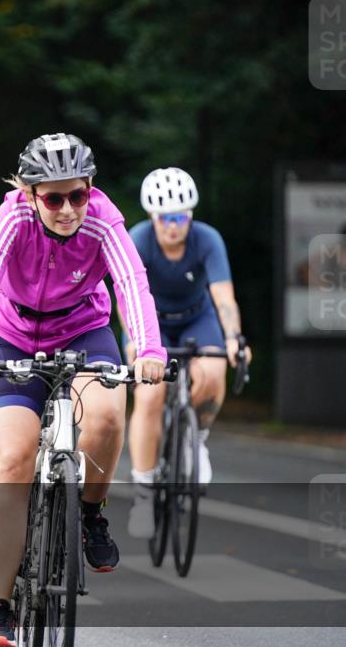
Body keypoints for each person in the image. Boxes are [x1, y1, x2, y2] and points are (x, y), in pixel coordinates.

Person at [0, 133, 166, 646]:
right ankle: (1, 609)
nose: (68, 208)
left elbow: (131, 284)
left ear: (89, 188)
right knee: (12, 458)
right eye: (53, 197)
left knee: (109, 415)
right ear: (31, 195)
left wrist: (150, 350)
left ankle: (91, 513)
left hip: (82, 331)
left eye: (77, 194)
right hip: (8, 337)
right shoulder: (12, 216)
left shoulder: (102, 217)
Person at [124, 167, 253, 539]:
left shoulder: (207, 239)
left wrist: (233, 338)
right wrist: (136, 339)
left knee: (212, 372)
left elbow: (223, 296)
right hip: (151, 322)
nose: (172, 225)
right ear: (153, 217)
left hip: (198, 319)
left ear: (190, 216)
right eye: (165, 218)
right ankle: (144, 492)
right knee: (149, 394)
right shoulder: (138, 239)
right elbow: (128, 298)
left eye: (180, 217)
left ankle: (195, 439)